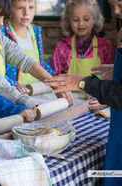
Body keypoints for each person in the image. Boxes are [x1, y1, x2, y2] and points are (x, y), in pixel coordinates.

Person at [45, 0, 122, 184]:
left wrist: (82, 83)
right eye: (113, 7)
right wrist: (117, 69)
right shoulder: (63, 46)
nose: (117, 12)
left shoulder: (103, 45)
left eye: (120, 4)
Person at [0, 0, 73, 109]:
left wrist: (54, 84)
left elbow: (23, 59)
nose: (1, 23)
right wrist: (24, 100)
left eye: (3, 18)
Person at [50, 0, 115, 111]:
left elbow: (112, 80)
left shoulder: (104, 46)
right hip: (70, 101)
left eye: (86, 19)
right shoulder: (63, 47)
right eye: (75, 20)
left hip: (98, 102)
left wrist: (102, 96)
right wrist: (65, 92)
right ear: (68, 20)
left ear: (94, 19)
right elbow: (55, 77)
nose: (81, 24)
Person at [0, 0, 55, 94]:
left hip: (37, 91)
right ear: (9, 10)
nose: (26, 13)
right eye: (20, 8)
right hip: (15, 92)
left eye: (31, 7)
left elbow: (40, 63)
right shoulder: (2, 34)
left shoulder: (36, 33)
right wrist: (13, 85)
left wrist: (54, 78)